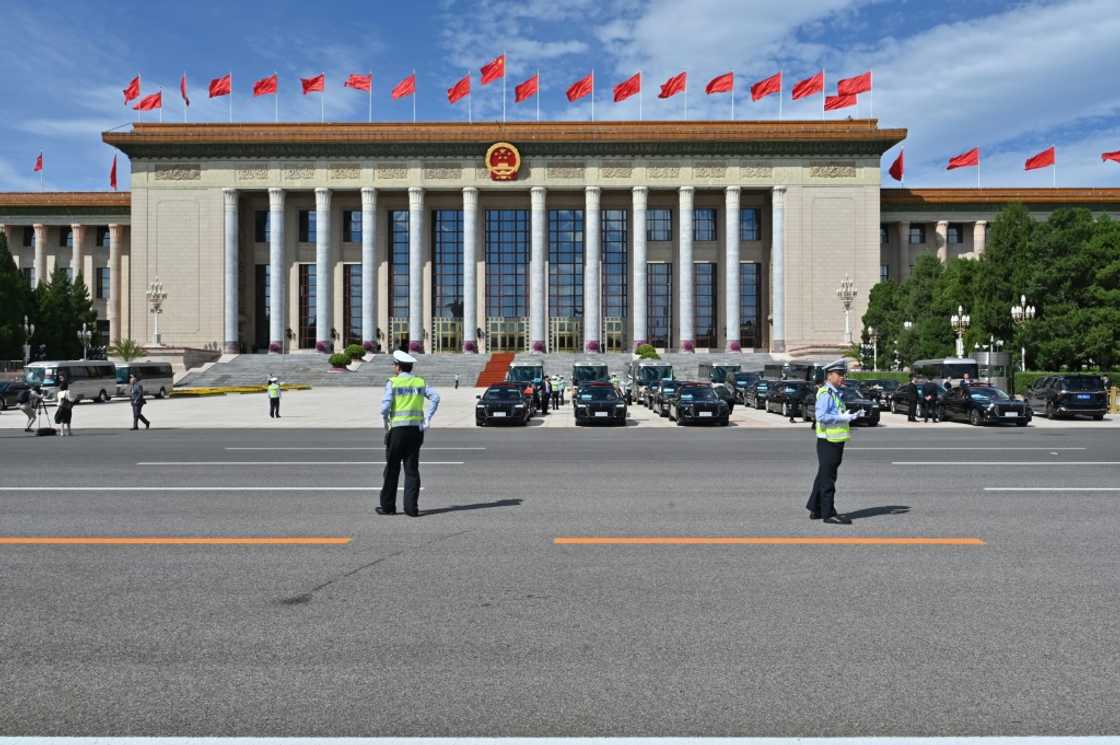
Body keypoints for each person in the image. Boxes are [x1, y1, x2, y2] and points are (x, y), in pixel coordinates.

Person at [378, 350, 440, 518]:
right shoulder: (420, 382)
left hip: (397, 430)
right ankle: (411, 508)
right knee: (412, 470)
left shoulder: (393, 382)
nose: (393, 367)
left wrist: (385, 417)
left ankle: (388, 506)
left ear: (398, 367)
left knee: (392, 469)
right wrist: (427, 418)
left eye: (394, 364)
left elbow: (384, 408)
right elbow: (435, 397)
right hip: (415, 432)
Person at [806, 360, 863, 524]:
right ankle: (828, 513)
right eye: (839, 374)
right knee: (828, 478)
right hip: (828, 441)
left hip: (835, 439)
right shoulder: (826, 393)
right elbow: (821, 417)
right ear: (830, 375)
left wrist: (851, 416)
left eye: (843, 374)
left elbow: (835, 414)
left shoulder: (835, 393)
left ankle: (816, 509)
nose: (842, 378)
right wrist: (842, 417)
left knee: (823, 476)